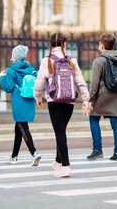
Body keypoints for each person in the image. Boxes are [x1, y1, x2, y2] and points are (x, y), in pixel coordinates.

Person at [34, 32, 89, 177]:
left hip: (55, 101)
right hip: (70, 101)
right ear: (64, 44)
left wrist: (38, 97)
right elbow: (80, 81)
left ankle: (65, 165)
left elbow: (39, 82)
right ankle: (58, 161)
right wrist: (85, 99)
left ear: (51, 45)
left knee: (59, 132)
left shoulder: (47, 61)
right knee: (62, 131)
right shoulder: (72, 60)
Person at [0, 45, 41, 166]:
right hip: (29, 100)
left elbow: (8, 88)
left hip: (18, 101)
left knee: (23, 126)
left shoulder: (11, 71)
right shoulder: (31, 69)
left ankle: (34, 153)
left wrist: (2, 78)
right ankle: (14, 156)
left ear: (14, 57)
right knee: (19, 128)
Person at [86, 33, 117, 161]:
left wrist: (91, 99)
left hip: (103, 94)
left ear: (102, 46)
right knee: (115, 122)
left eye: (99, 44)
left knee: (93, 118)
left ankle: (97, 150)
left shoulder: (99, 60)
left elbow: (95, 83)